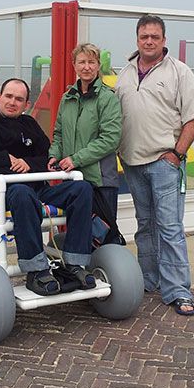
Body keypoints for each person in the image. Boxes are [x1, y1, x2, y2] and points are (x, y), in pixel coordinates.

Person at [0, 78, 95, 296]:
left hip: (38, 190)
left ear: (26, 104)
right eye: (8, 96)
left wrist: (28, 163)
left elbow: (48, 157)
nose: (13, 102)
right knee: (22, 192)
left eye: (19, 99)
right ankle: (36, 270)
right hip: (1, 194)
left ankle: (75, 263)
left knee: (82, 189)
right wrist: (5, 158)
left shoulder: (29, 124)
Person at [115, 16, 194, 316]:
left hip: (164, 163)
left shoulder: (179, 72)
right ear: (137, 39)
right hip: (132, 163)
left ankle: (178, 290)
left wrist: (177, 154)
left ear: (164, 40)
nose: (149, 41)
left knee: (170, 228)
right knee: (145, 226)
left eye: (155, 36)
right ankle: (150, 280)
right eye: (144, 36)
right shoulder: (125, 74)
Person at [48, 43, 123, 240]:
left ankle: (108, 260)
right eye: (82, 62)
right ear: (74, 65)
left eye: (91, 62)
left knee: (103, 236)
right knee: (78, 234)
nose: (87, 67)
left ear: (98, 66)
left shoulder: (107, 98)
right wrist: (54, 155)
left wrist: (75, 159)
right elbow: (59, 133)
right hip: (73, 179)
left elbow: (110, 139)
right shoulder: (67, 98)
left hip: (100, 181)